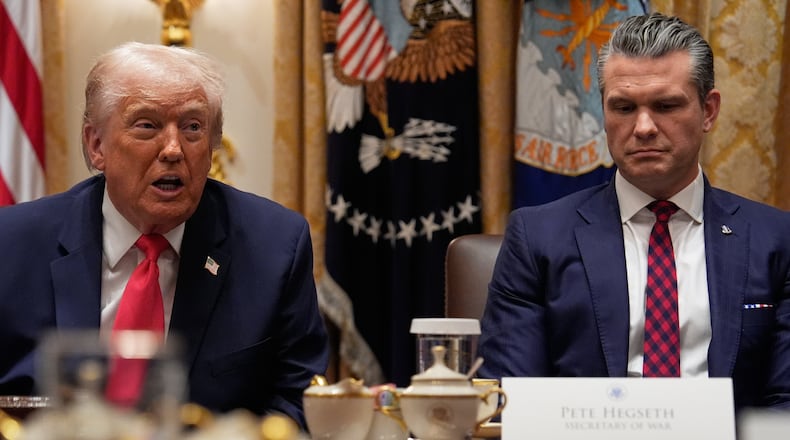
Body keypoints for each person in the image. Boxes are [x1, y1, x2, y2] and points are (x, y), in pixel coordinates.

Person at [0, 42, 329, 427]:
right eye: (147, 125)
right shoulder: (13, 244)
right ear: (96, 145)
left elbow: (298, 399)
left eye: (192, 127)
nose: (174, 149)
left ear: (211, 146)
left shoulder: (274, 246)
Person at [477, 12, 790, 410]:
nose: (643, 126)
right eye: (624, 107)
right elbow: (509, 398)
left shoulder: (776, 241)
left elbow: (786, 404)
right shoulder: (538, 237)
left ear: (708, 111)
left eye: (665, 105)